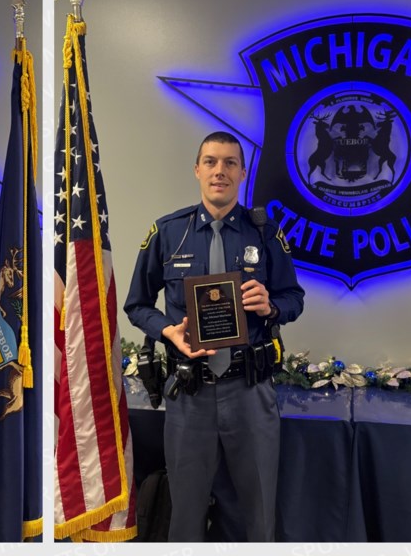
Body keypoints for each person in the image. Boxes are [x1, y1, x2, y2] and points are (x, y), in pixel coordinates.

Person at [124, 131, 304, 541]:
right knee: (185, 513)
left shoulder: (264, 234)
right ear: (197, 170)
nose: (219, 171)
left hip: (250, 390)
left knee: (258, 512)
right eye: (210, 162)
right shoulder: (169, 233)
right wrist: (167, 330)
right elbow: (137, 305)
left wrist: (271, 306)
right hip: (190, 393)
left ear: (242, 172)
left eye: (228, 163)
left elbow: (294, 298)